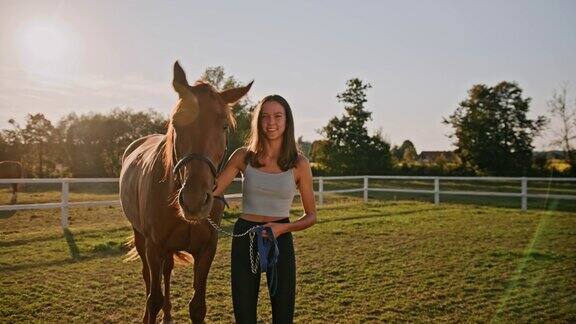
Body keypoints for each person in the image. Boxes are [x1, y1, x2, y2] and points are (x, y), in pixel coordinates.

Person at [213, 94, 317, 323]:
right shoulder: (243, 157)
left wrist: (282, 229)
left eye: (278, 116)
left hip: (279, 236)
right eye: (265, 117)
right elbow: (213, 190)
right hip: (245, 236)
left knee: (283, 312)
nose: (271, 122)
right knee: (244, 312)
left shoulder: (299, 164)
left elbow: (311, 216)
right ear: (258, 122)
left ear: (287, 121)